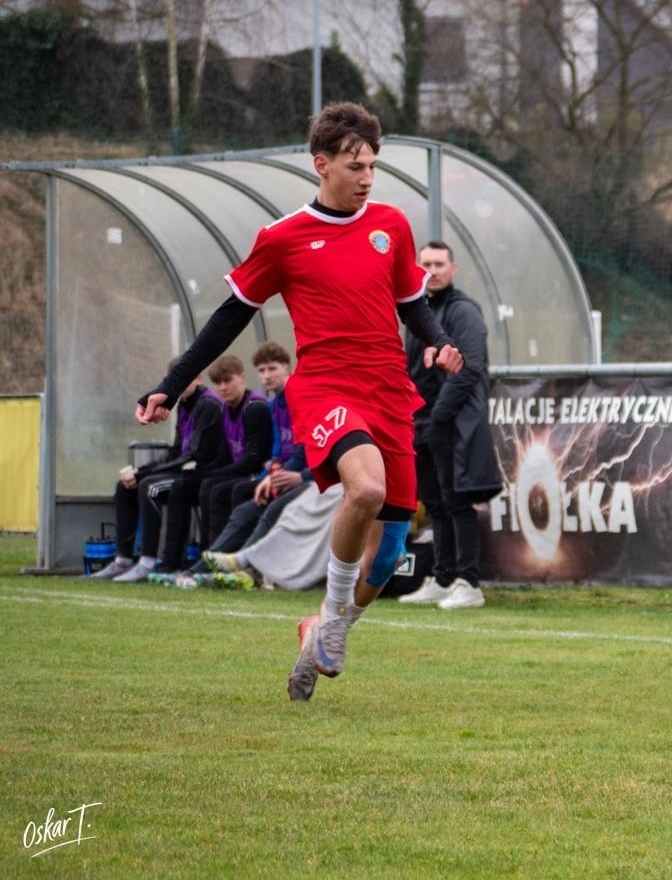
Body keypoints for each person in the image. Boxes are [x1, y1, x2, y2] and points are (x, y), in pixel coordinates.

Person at [135, 102, 462, 701]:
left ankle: (320, 631)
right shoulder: (282, 239)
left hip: (389, 389)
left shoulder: (390, 224)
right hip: (328, 387)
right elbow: (229, 318)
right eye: (355, 165)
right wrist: (171, 381)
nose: (367, 177)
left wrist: (439, 342)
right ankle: (334, 619)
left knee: (387, 556)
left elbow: (411, 301)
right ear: (322, 164)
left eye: (373, 165)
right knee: (364, 487)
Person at [399, 240, 501, 610]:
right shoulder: (415, 315)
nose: (433, 270)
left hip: (452, 424)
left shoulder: (463, 312)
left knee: (458, 503)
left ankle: (468, 582)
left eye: (440, 263)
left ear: (453, 269)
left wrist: (440, 417)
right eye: (426, 263)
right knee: (436, 504)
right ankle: (442, 578)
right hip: (420, 424)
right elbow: (409, 371)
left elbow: (470, 368)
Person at [92, 367, 222, 581]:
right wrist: (139, 471)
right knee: (124, 486)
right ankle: (123, 560)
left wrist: (143, 474)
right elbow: (176, 451)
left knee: (149, 486)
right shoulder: (183, 405)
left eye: (186, 378)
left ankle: (148, 562)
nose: (180, 384)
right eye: (175, 380)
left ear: (198, 378)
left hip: (201, 473)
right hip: (184, 469)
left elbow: (193, 455)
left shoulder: (208, 404)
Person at [200, 342, 307, 560]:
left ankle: (237, 559)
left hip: (304, 476)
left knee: (240, 491)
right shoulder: (274, 405)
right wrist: (271, 470)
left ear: (288, 368)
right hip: (281, 472)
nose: (267, 376)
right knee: (221, 489)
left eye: (272, 369)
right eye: (261, 370)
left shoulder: (298, 399)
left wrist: (272, 475)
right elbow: (278, 448)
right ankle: (213, 557)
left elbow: (304, 449)